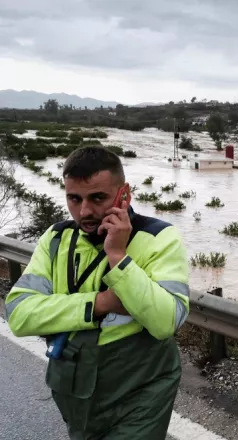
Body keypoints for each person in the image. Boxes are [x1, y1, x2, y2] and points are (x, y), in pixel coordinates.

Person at [4, 146, 190, 439]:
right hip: (73, 387)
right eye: (74, 199)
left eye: (98, 198)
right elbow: (19, 314)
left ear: (124, 194)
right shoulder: (56, 239)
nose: (85, 211)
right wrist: (100, 303)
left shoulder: (158, 238)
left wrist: (118, 256)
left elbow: (166, 321)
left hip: (140, 389)